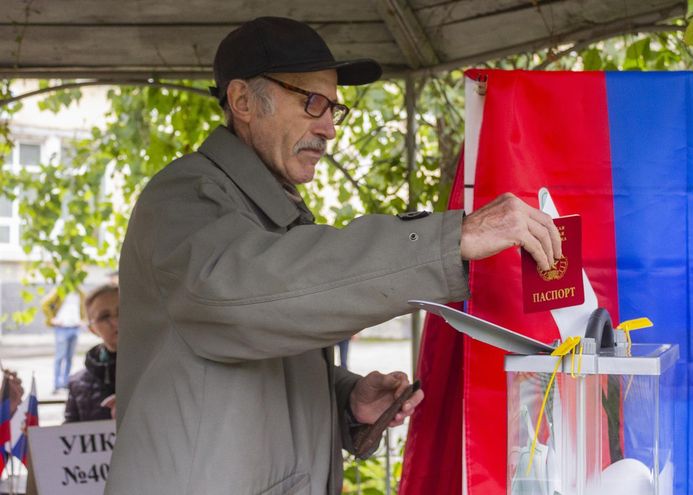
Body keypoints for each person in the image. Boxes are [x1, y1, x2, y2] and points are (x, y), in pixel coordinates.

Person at [106, 17, 561, 495]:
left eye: (333, 110)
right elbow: (241, 300)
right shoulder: (185, 196)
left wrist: (344, 401)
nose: (328, 128)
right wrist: (450, 239)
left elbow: (250, 358)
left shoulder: (267, 207)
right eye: (312, 103)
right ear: (242, 101)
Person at [64, 284, 118, 422]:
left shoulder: (163, 369)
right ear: (92, 329)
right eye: (104, 316)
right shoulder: (79, 384)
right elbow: (68, 437)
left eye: (123, 311)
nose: (116, 321)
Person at [40, 285, 85, 393]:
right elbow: (44, 304)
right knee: (60, 357)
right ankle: (57, 385)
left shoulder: (79, 292)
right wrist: (52, 319)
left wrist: (83, 319)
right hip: (62, 328)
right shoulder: (60, 290)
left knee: (70, 358)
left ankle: (66, 383)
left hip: (75, 327)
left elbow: (85, 306)